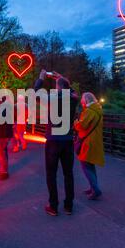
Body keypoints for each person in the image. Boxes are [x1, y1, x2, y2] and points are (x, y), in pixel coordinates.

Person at [34, 70, 79, 216]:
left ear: (58, 87)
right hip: (67, 140)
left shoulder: (52, 98)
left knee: (51, 174)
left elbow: (35, 93)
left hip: (53, 140)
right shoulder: (73, 98)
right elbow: (73, 92)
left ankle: (53, 206)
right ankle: (68, 206)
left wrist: (41, 79)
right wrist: (61, 78)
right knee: (68, 174)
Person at [74, 92, 105, 200]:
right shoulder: (98, 109)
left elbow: (82, 125)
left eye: (83, 99)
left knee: (85, 166)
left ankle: (96, 190)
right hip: (95, 141)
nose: (82, 101)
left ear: (86, 100)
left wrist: (76, 122)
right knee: (90, 165)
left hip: (88, 142)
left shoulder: (89, 111)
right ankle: (93, 187)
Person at [0, 96, 14, 180]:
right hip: (2, 134)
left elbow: (2, 123)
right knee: (3, 152)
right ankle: (4, 169)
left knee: (1, 153)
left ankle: (4, 171)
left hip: (1, 135)